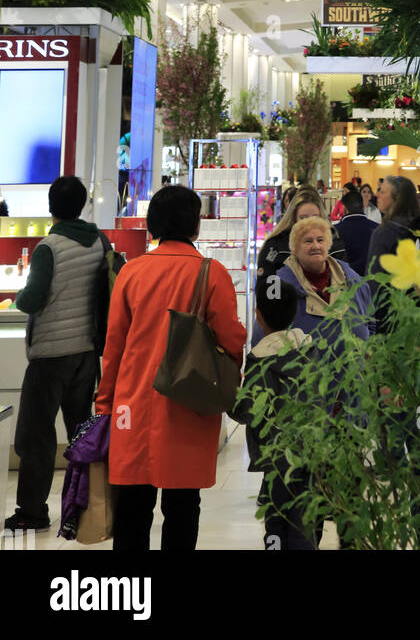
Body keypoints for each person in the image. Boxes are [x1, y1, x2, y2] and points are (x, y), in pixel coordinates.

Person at [96, 184, 246, 551]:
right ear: (196, 225)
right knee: (182, 506)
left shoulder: (132, 273)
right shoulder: (213, 274)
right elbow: (232, 341)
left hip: (133, 403)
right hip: (188, 401)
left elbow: (113, 347)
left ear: (153, 225)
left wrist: (104, 405)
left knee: (132, 508)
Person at [5, 176, 109, 533]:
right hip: (86, 352)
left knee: (35, 436)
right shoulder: (99, 240)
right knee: (81, 434)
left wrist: (19, 298)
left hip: (50, 354)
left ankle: (32, 511)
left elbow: (31, 298)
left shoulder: (49, 247)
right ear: (82, 205)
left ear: (51, 206)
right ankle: (83, 507)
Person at [230, 274, 317, 551]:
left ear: (258, 316)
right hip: (310, 450)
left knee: (277, 519)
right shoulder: (309, 348)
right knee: (306, 514)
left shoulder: (261, 359)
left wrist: (229, 398)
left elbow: (250, 411)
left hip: (276, 456)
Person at [277, 216, 372, 361]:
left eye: (320, 240)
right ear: (295, 249)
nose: (316, 246)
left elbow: (370, 321)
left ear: (328, 244)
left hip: (353, 379)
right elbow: (266, 336)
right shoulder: (280, 287)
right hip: (303, 379)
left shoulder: (353, 281)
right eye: (308, 241)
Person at [366, 176, 420, 333]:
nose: (376, 195)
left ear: (397, 199)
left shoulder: (384, 232)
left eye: (382, 192)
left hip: (389, 316)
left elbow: (374, 280)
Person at [257, 186, 345, 282]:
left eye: (314, 218)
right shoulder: (276, 246)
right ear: (294, 218)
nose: (309, 223)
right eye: (303, 218)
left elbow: (346, 284)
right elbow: (265, 288)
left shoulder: (334, 244)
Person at [334, 188, 375, 276]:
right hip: (373, 281)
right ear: (363, 207)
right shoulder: (377, 229)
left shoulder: (335, 231)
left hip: (345, 283)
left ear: (344, 209)